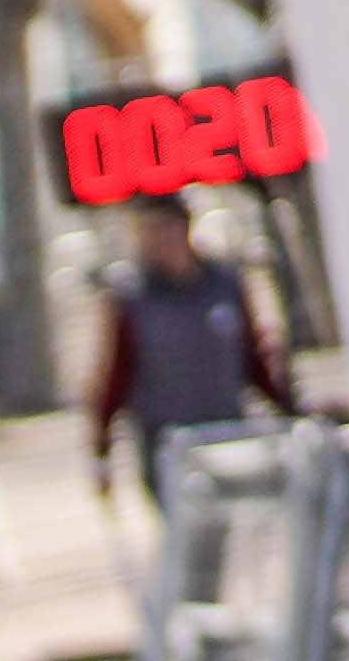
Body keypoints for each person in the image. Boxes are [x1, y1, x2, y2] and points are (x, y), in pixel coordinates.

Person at [84, 200, 290, 500]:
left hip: (226, 432)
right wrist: (102, 447)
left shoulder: (225, 285)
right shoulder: (131, 299)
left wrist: (286, 409)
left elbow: (252, 357)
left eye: (164, 229)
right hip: (168, 442)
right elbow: (116, 374)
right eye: (149, 233)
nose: (158, 242)